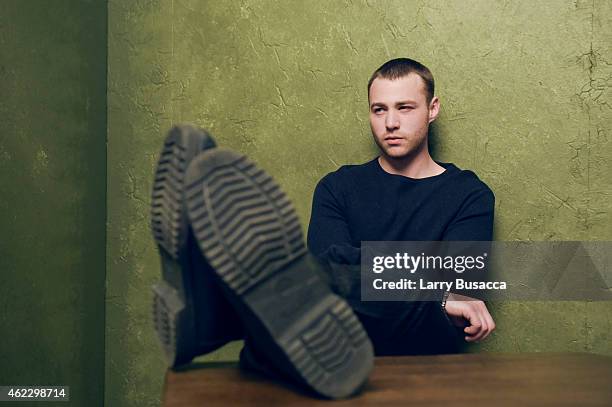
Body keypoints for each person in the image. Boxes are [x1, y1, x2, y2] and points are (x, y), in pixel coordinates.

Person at [307, 58, 496, 356]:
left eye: (404, 108)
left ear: (432, 109)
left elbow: (459, 293)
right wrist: (433, 290)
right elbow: (326, 278)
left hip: (433, 369)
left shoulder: (469, 195)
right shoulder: (337, 188)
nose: (391, 123)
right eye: (379, 109)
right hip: (343, 363)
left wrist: (361, 271)